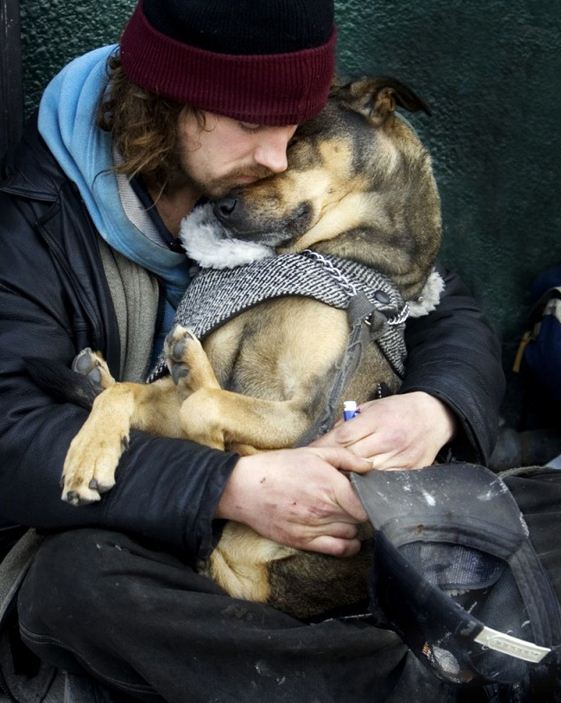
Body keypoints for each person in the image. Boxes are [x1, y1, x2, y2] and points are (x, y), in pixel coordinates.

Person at [0, 1, 510, 701]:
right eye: (250, 123)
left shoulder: (266, 189)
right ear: (171, 100)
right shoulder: (38, 218)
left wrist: (437, 407)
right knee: (68, 586)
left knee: (544, 512)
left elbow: (444, 300)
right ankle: (397, 680)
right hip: (152, 535)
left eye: (296, 130)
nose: (276, 155)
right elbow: (11, 436)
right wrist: (228, 489)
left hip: (323, 536)